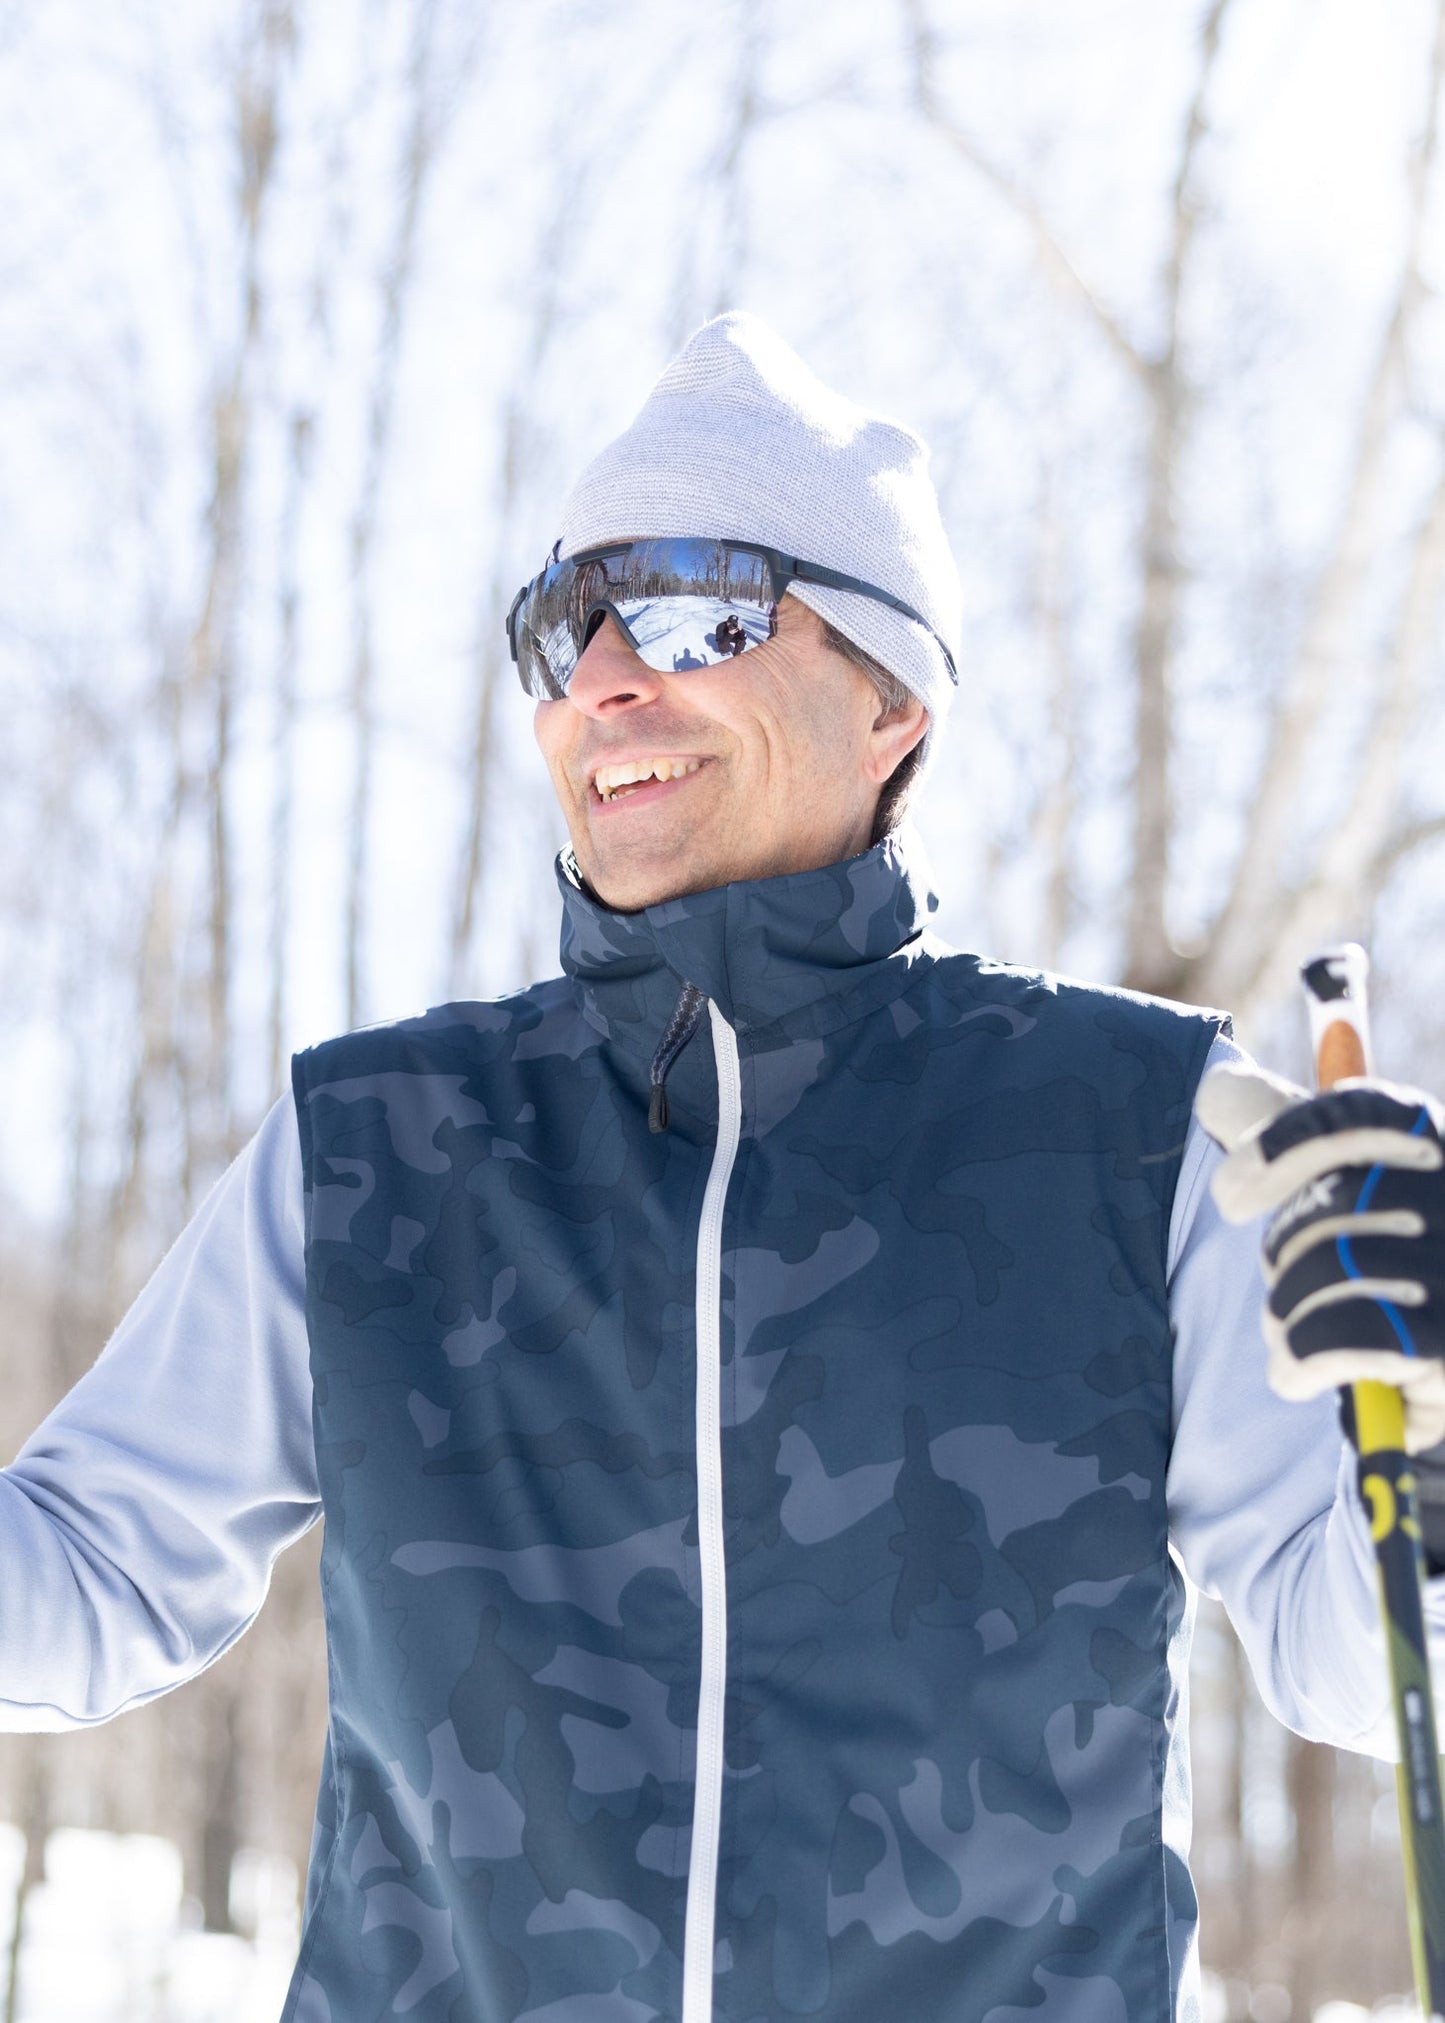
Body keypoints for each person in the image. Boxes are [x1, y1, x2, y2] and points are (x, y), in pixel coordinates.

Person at [2, 310, 1444, 2023]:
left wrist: (1422, 1419)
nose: (604, 678)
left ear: (891, 697)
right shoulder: (381, 1148)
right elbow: (86, 1580)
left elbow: (1371, 1670)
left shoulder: (1135, 1127)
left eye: (697, 606)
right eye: (562, 624)